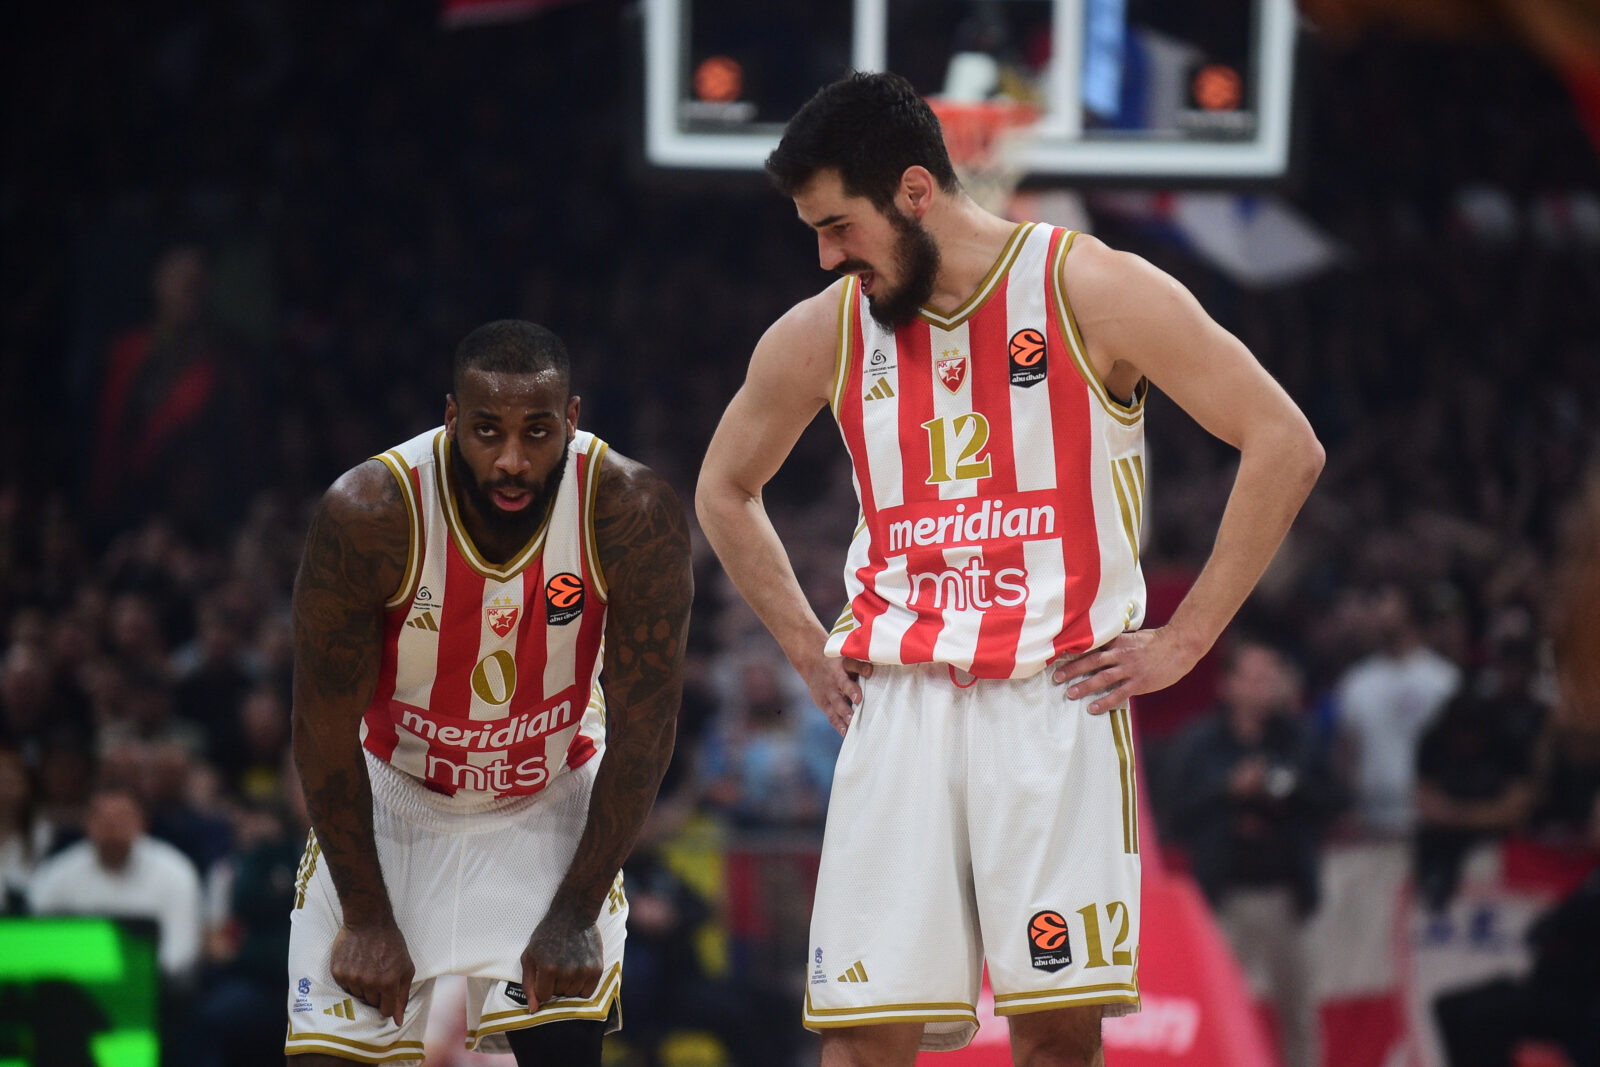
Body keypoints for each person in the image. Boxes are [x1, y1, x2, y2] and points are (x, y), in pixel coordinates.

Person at [695, 72, 1324, 1066]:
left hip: (1050, 693)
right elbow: (722, 489)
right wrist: (806, 646)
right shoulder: (823, 329)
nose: (824, 256)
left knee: (1057, 1032)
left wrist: (1188, 638)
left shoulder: (1090, 287)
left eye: (837, 226)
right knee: (861, 1038)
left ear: (913, 191)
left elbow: (1283, 441)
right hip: (896, 699)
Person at [285, 320, 692, 1065]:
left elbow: (646, 731)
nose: (511, 459)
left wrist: (575, 909)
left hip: (546, 800)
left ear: (571, 420)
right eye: (486, 431)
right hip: (394, 798)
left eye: (537, 432)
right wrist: (368, 915)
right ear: (451, 421)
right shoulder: (370, 512)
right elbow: (319, 730)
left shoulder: (629, 511)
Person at [1161, 640, 1342, 1067]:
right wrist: (1230, 790)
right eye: (1255, 677)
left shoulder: (1299, 737)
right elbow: (1176, 813)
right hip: (1223, 897)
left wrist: (1288, 793)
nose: (1266, 687)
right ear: (1228, 685)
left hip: (1287, 894)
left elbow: (1333, 800)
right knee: (1217, 1009)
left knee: (1299, 1013)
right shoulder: (1200, 742)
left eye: (1271, 676)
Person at [27, 782, 204, 979]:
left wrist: (133, 976)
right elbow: (39, 940)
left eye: (122, 818)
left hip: (155, 986)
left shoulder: (176, 871)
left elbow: (181, 950)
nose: (112, 829)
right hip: (74, 985)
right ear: (87, 823)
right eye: (103, 819)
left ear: (142, 823)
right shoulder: (57, 873)